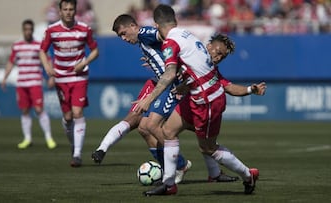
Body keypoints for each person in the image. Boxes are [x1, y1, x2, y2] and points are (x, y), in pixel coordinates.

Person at [134, 4, 260, 196]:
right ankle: (169, 184)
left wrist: (149, 99)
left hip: (207, 101)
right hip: (196, 96)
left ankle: (247, 174)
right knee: (168, 131)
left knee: (208, 148)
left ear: (156, 24)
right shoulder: (186, 35)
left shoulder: (171, 42)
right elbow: (194, 68)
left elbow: (169, 75)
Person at [92, 14, 193, 184]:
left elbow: (164, 37)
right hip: (168, 84)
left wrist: (174, 58)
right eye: (120, 36)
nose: (123, 38)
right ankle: (179, 166)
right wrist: (158, 60)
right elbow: (164, 46)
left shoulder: (144, 33)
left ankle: (181, 166)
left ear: (133, 26)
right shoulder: (142, 41)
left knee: (153, 125)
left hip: (175, 85)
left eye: (124, 33)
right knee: (145, 127)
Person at [39, 0, 99, 167]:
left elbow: (95, 50)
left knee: (77, 112)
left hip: (79, 77)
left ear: (75, 10)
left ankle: (78, 154)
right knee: (67, 117)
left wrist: (84, 62)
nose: (68, 12)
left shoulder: (84, 29)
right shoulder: (52, 30)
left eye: (71, 9)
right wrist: (47, 67)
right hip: (61, 78)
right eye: (65, 9)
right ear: (59, 11)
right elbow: (42, 50)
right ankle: (74, 145)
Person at [1, 19, 57, 150]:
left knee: (39, 109)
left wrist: (51, 77)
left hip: (35, 82)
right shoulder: (17, 45)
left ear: (32, 30)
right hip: (22, 83)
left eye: (30, 29)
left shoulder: (38, 45)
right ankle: (27, 138)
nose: (28, 32)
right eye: (26, 30)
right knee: (25, 110)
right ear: (23, 30)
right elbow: (11, 62)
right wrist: (5, 78)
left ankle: (49, 138)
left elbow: (48, 60)